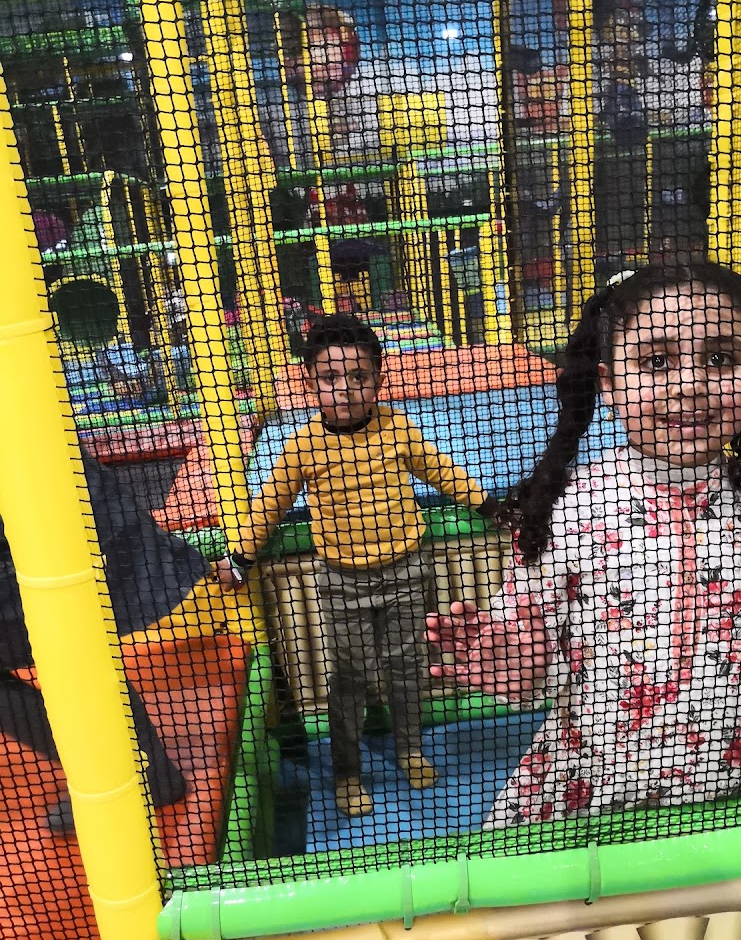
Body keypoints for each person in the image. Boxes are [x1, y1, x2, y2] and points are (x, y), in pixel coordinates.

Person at [427, 262, 741, 828]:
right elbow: (529, 661)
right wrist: (505, 661)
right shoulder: (571, 509)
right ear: (608, 382)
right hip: (596, 797)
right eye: (656, 362)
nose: (690, 385)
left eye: (721, 358)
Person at [216, 314, 495, 817]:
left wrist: (491, 506)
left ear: (378, 380)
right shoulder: (302, 447)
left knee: (408, 671)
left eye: (358, 377)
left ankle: (410, 749)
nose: (344, 389)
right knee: (349, 680)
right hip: (342, 583)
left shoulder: (396, 428)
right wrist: (240, 558)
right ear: (310, 382)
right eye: (330, 378)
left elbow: (441, 470)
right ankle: (347, 772)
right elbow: (269, 507)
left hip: (407, 572)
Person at [1, 447, 261, 833]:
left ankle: (133, 773)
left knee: (74, 645)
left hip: (52, 524)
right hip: (63, 515)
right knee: (76, 646)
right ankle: (138, 770)